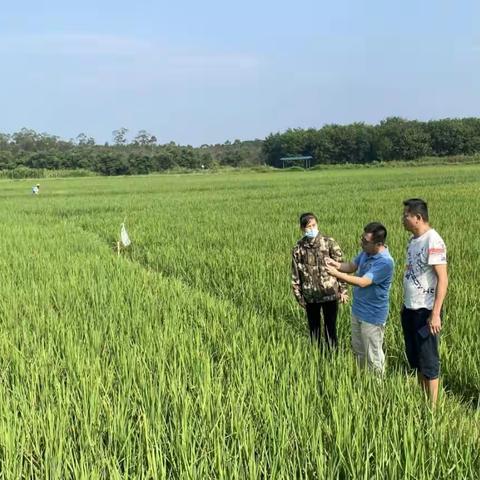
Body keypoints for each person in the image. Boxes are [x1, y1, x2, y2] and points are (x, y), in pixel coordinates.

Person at [325, 222, 394, 374]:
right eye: (361, 239)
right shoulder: (366, 252)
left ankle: (377, 390)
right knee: (359, 351)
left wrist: (336, 274)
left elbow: (363, 282)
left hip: (372, 316)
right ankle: (363, 382)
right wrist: (335, 264)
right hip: (358, 310)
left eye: (365, 241)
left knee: (373, 355)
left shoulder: (385, 262)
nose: (361, 243)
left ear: (379, 244)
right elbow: (351, 266)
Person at [401, 198, 448, 406]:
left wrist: (435, 313)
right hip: (410, 308)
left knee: (429, 359)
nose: (403, 219)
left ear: (418, 218)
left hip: (426, 311)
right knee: (416, 358)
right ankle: (423, 400)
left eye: (406, 215)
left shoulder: (433, 240)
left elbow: (443, 279)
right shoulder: (413, 241)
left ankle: (433, 407)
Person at [291, 212, 348, 349]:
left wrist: (343, 290)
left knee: (331, 329)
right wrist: (299, 297)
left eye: (314, 225)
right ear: (302, 229)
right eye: (308, 227)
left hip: (330, 294)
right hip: (310, 296)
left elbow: (340, 267)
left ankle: (332, 358)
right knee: (314, 330)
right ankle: (317, 357)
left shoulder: (329, 243)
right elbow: (295, 275)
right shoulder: (298, 249)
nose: (311, 229)